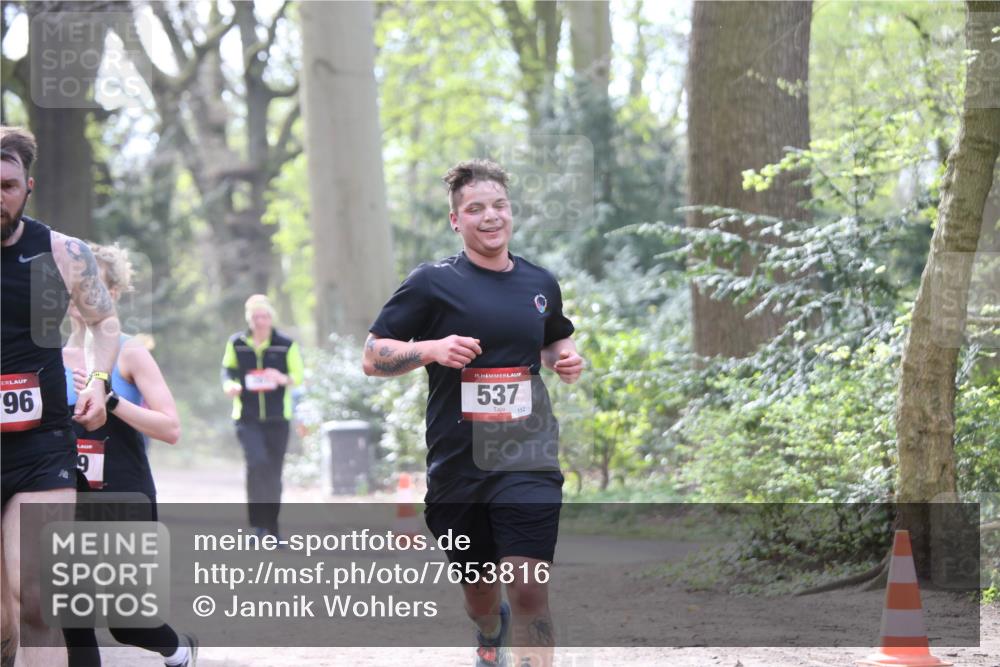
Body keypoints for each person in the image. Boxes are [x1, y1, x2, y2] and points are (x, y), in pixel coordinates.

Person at [363, 159, 584, 667]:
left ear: (512, 212)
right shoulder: (430, 283)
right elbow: (372, 357)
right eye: (475, 208)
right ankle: (489, 635)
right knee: (482, 595)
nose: (490, 217)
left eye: (499, 206)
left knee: (530, 592)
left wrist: (564, 358)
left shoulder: (539, 282)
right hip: (458, 465)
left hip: (526, 455)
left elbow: (554, 338)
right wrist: (431, 349)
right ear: (455, 220)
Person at [1, 126, 120, 667]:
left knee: (36, 601)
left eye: (6, 186)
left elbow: (105, 322)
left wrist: (97, 382)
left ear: (28, 186)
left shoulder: (61, 251)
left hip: (41, 448)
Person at [60, 243, 197, 667]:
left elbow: (171, 428)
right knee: (72, 618)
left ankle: (179, 652)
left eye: (95, 286)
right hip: (67, 497)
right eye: (76, 286)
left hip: (123, 495)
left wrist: (110, 396)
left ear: (114, 295)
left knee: (128, 621)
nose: (84, 296)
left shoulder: (130, 352)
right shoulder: (49, 357)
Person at [221, 294, 304, 539]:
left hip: (278, 418)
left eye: (265, 316)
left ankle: (273, 528)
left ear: (271, 318)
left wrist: (281, 378)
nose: (261, 321)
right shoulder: (237, 343)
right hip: (247, 417)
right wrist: (230, 386)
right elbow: (227, 372)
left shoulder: (285, 344)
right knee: (257, 464)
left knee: (273, 472)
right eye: (256, 317)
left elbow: (298, 376)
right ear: (249, 319)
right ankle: (257, 525)